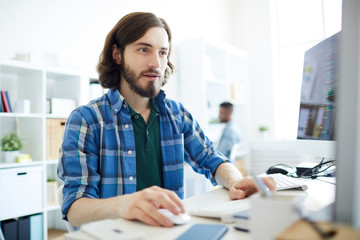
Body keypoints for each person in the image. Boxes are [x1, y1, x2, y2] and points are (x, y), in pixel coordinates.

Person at [58, 12, 276, 229]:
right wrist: (123, 205)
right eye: (144, 49)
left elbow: (211, 159)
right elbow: (74, 208)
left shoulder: (176, 114)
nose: (156, 63)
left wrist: (235, 181)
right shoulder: (86, 120)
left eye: (163, 52)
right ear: (117, 54)